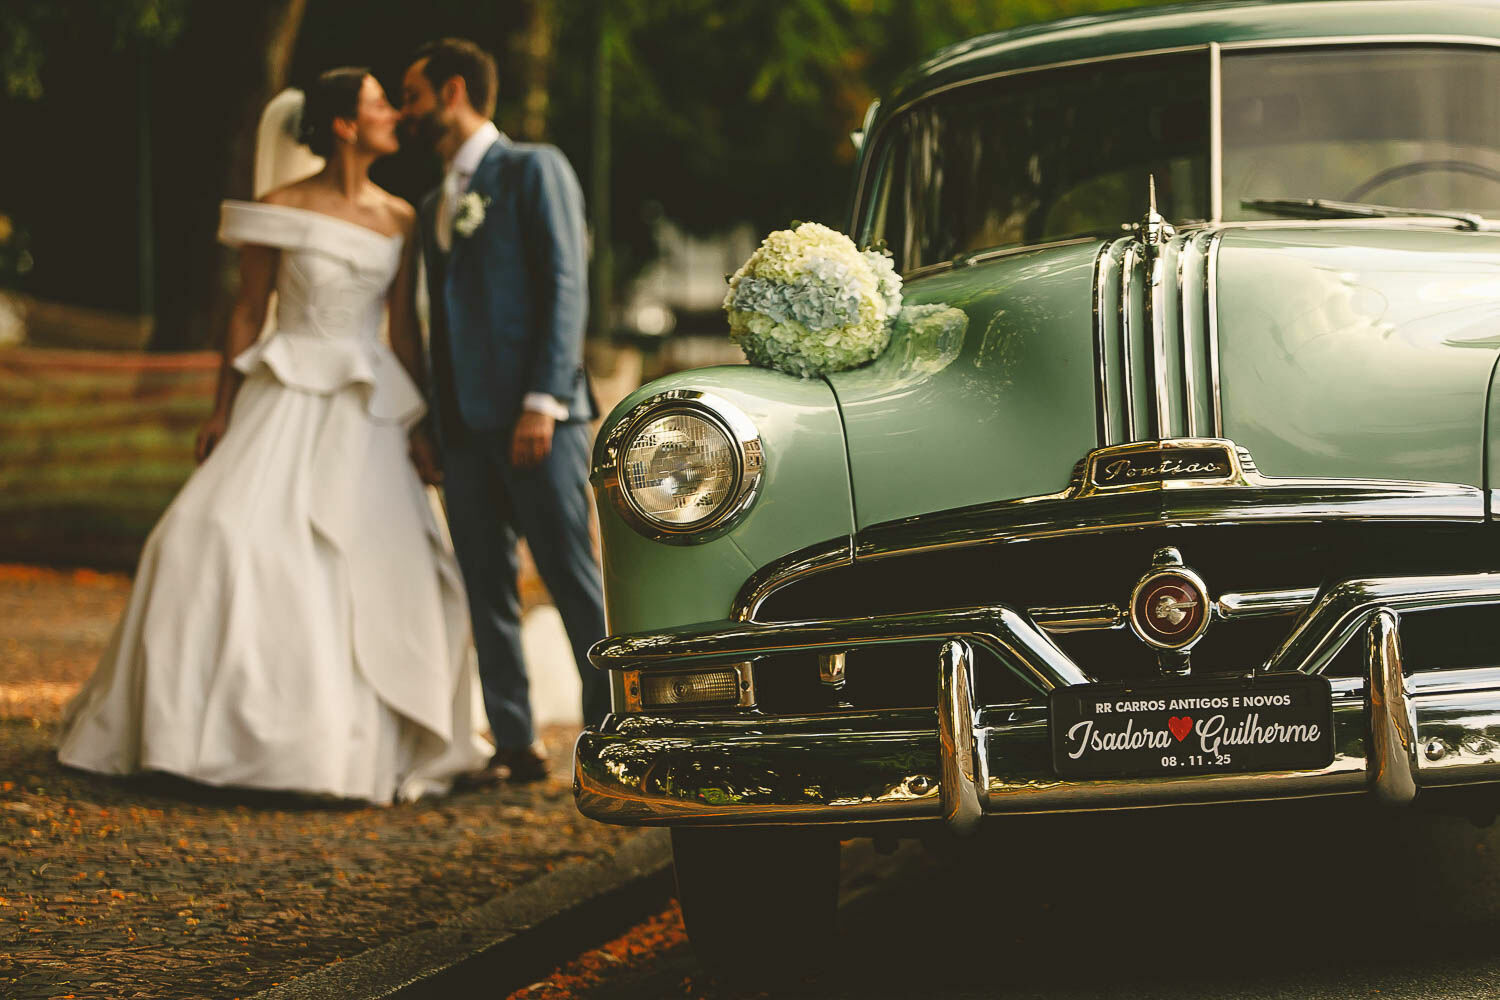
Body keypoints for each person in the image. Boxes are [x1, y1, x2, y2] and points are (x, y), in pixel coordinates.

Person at [55, 68, 492, 804]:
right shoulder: (278, 207)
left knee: (372, 561)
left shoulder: (401, 219)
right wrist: (221, 408)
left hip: (365, 409)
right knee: (206, 537)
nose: (393, 115)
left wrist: (421, 430)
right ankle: (193, 734)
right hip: (279, 393)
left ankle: (343, 746)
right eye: (380, 104)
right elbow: (245, 312)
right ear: (345, 126)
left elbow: (404, 333)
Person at [398, 38, 608, 784]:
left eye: (414, 97)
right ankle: (516, 744)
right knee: (485, 584)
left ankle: (611, 736)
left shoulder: (532, 168)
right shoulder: (430, 206)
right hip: (460, 430)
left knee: (571, 577)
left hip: (537, 421)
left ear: (453, 91)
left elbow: (564, 283)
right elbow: (431, 318)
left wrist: (543, 401)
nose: (405, 113)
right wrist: (429, 419)